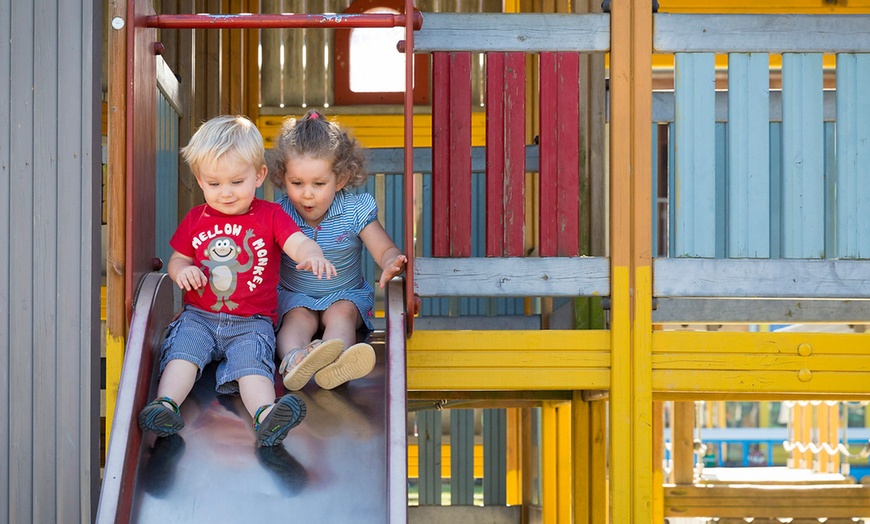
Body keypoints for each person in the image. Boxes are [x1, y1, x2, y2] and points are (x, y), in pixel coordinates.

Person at [137, 115, 337, 447]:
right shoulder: (195, 219)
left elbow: (297, 242)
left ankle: (266, 415)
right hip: (198, 317)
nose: (226, 193)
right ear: (200, 180)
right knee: (182, 354)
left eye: (236, 182)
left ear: (258, 176)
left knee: (252, 365)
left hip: (251, 323)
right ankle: (165, 405)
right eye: (214, 184)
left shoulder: (270, 215)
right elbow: (178, 260)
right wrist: (180, 271)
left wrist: (311, 253)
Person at [267, 109, 406, 391]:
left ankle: (337, 361)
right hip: (296, 295)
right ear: (283, 177)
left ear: (340, 179)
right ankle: (294, 360)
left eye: (319, 184)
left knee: (342, 314)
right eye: (297, 183)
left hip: (343, 294)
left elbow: (384, 249)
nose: (307, 193)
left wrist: (392, 262)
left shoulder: (355, 210)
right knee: (296, 320)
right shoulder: (279, 213)